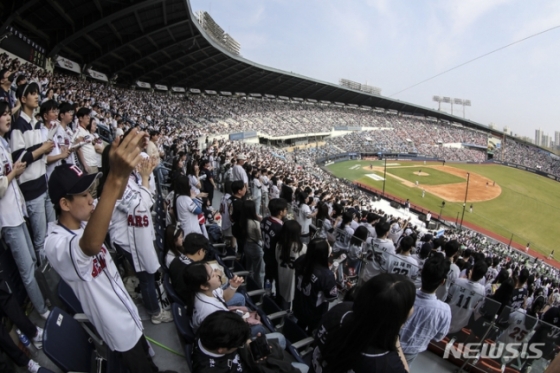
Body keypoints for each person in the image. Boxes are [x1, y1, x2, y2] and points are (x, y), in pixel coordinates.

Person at [45, 130, 174, 372]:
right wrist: (115, 176)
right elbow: (90, 246)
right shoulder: (55, 242)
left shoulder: (82, 221)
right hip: (117, 332)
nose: (91, 199)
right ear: (65, 204)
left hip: (128, 316)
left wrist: (120, 170)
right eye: (84, 195)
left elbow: (111, 199)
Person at [100, 143, 172, 325]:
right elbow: (142, 205)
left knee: (146, 275)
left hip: (134, 236)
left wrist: (144, 177)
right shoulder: (116, 184)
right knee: (146, 276)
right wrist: (146, 178)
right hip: (128, 240)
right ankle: (155, 313)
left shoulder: (125, 178)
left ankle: (147, 299)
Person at [0, 101, 50, 319]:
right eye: (3, 114)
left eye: (7, 112)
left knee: (31, 261)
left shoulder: (2, 142)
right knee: (27, 271)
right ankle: (43, 310)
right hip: (7, 220)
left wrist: (14, 173)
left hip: (17, 212)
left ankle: (44, 299)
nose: (8, 116)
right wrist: (13, 174)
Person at [313, 273, 415, 373]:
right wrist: (395, 337)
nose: (413, 309)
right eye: (411, 304)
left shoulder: (340, 310)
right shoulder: (387, 364)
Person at [9, 82, 55, 264]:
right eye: (32, 93)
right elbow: (19, 160)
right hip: (32, 191)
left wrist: (45, 149)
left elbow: (41, 154)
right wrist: (42, 149)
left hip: (44, 185)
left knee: (51, 233)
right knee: (40, 240)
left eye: (37, 93)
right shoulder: (18, 126)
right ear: (22, 99)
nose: (37, 96)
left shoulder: (36, 124)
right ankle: (48, 282)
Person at [193, 311, 308, 373]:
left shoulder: (209, 331)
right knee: (304, 368)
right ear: (221, 350)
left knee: (280, 339)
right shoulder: (210, 369)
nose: (242, 344)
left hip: (249, 360)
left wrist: (248, 344)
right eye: (239, 344)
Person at [400, 255, 452, 365]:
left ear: (422, 273)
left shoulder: (402, 294)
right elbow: (439, 336)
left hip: (386, 344)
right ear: (443, 281)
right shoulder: (445, 311)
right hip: (411, 351)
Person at [293, 238, 338, 333]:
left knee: (299, 327)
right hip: (314, 314)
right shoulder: (327, 275)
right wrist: (333, 278)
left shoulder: (300, 260)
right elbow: (332, 297)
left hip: (298, 305)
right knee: (312, 334)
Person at [446, 260, 488, 334]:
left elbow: (448, 297)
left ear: (472, 270)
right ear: (482, 277)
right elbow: (477, 307)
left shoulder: (459, 281)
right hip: (463, 321)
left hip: (449, 314)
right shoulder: (482, 290)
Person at [276, 220, 307, 308]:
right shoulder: (301, 247)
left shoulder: (279, 245)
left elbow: (276, 258)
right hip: (294, 278)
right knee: (291, 299)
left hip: (282, 274)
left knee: (284, 297)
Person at [262, 198, 288, 301]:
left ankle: (267, 293)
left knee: (268, 276)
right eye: (285, 209)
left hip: (267, 253)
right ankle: (276, 300)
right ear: (281, 212)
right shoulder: (280, 227)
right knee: (278, 280)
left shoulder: (265, 220)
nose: (287, 211)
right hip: (275, 258)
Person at [241, 199, 265, 287]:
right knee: (258, 272)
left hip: (247, 245)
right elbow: (260, 237)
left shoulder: (243, 220)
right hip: (255, 248)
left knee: (249, 269)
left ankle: (248, 285)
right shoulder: (255, 223)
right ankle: (258, 289)